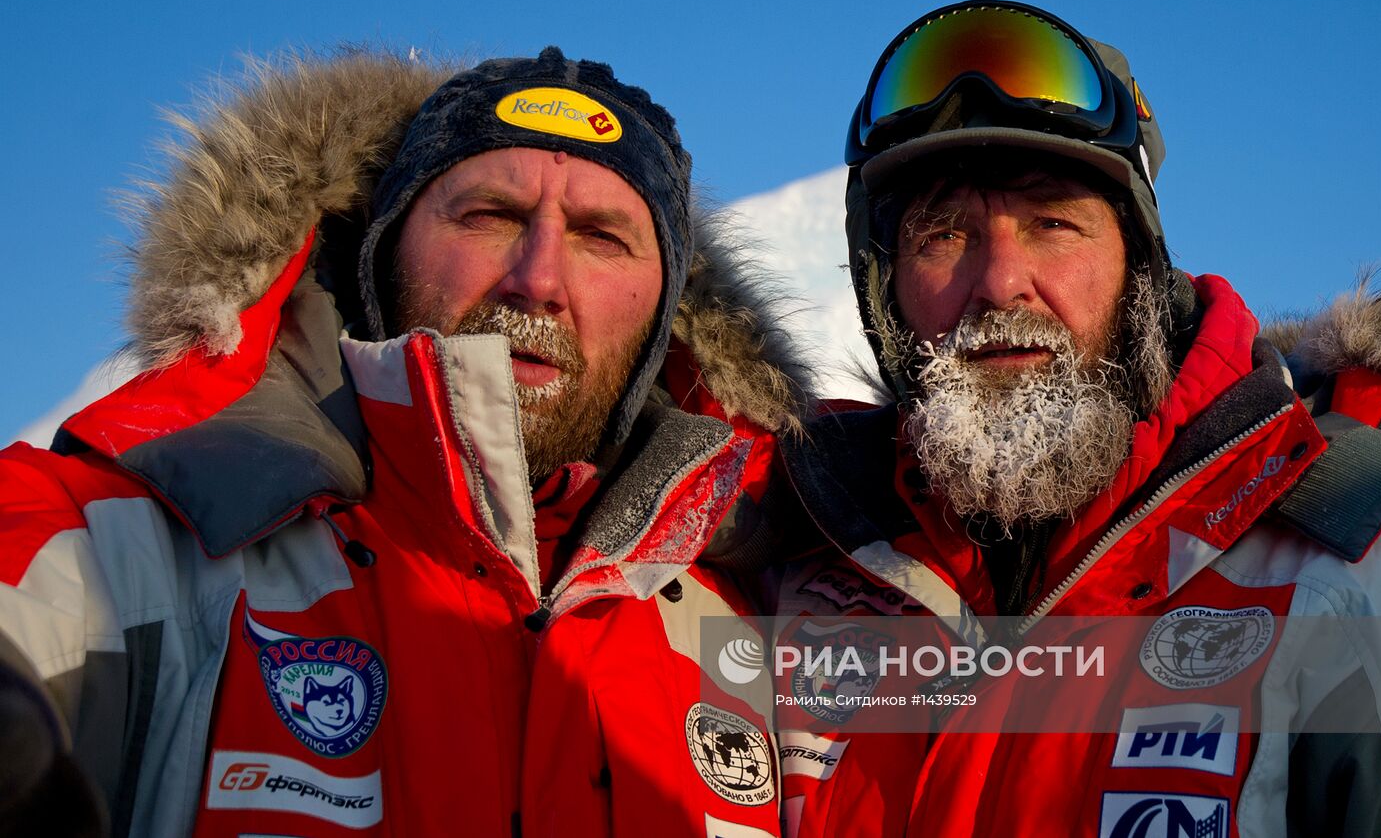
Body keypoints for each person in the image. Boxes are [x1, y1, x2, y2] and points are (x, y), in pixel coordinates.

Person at [0, 47, 806, 837]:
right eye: (490, 216)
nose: (540, 278)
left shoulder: (762, 606)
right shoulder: (155, 539)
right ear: (382, 256)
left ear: (663, 316)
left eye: (602, 235)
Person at [766, 0, 1381, 836]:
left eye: (1052, 223)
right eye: (943, 235)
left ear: (1138, 261)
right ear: (885, 289)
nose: (999, 282)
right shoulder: (794, 553)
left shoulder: (1349, 557)